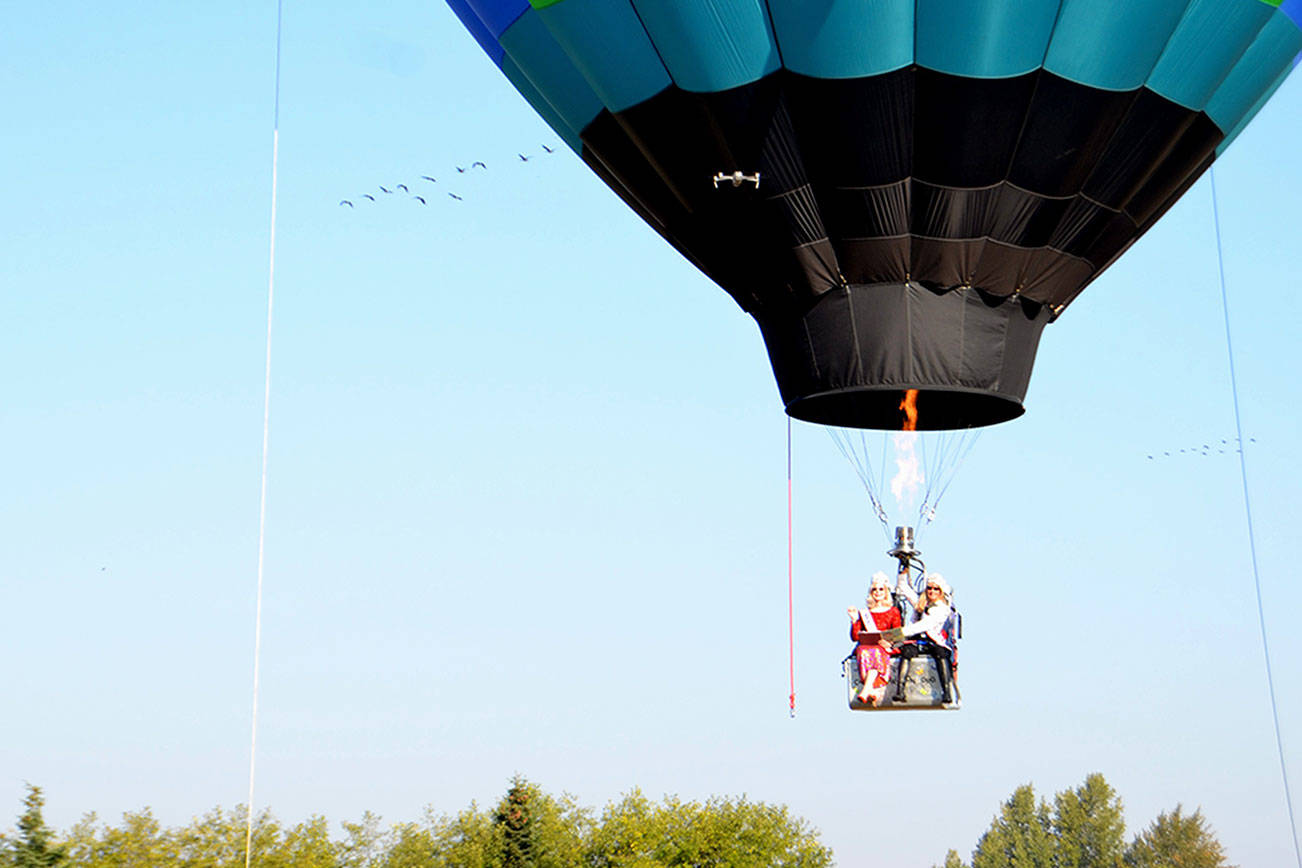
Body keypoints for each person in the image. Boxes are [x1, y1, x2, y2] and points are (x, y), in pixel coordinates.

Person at [894, 568, 957, 705]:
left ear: (941, 592)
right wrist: (903, 568)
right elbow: (903, 588)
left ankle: (946, 692)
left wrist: (900, 633)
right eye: (929, 588)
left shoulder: (942, 609)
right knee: (907, 651)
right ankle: (900, 691)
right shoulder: (922, 603)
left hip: (937, 642)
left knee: (941, 653)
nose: (932, 592)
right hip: (920, 640)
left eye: (936, 589)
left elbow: (925, 625)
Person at [847, 571, 902, 706]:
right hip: (866, 647)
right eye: (875, 589)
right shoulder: (865, 613)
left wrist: (887, 641)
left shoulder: (893, 611)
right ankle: (870, 690)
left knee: (875, 652)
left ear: (886, 591)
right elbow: (855, 637)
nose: (878, 592)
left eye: (881, 589)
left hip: (884, 647)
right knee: (865, 650)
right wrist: (854, 620)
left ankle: (867, 689)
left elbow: (898, 634)